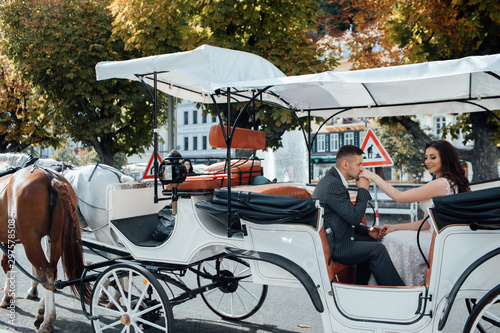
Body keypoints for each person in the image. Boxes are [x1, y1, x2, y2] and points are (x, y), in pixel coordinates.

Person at [360, 140, 470, 286]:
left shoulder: (441, 184)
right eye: (426, 158)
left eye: (433, 157)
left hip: (438, 241)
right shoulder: (448, 182)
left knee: (393, 241)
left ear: (445, 158)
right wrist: (396, 227)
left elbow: (399, 197)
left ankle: (396, 287)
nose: (428, 162)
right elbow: (425, 225)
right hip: (437, 237)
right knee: (393, 235)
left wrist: (374, 177)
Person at [312, 145, 404, 286]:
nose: (362, 169)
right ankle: (399, 293)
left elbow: (346, 218)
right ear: (345, 164)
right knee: (377, 250)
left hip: (338, 235)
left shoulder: (333, 181)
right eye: (359, 164)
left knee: (372, 241)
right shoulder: (333, 185)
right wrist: (362, 190)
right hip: (336, 245)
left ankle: (361, 287)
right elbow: (354, 217)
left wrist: (367, 231)